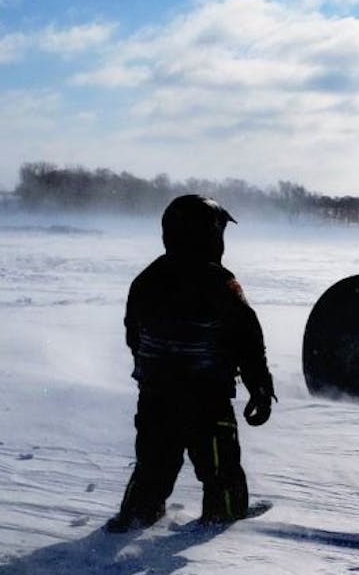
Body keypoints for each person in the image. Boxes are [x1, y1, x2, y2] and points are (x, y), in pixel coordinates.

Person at [105, 194, 275, 532]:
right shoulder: (221, 283)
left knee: (153, 465)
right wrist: (259, 386)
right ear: (210, 236)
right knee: (221, 470)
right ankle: (224, 526)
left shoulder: (146, 279)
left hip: (156, 394)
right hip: (206, 399)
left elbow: (132, 335)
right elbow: (248, 340)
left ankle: (137, 517)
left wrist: (154, 372)